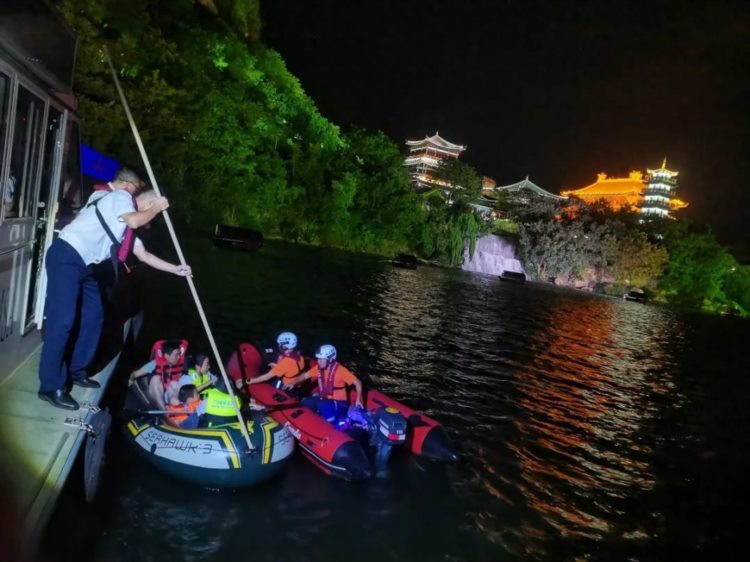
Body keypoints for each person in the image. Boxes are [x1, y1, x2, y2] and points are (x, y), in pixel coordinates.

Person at [37, 168, 191, 410]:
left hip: (86, 267)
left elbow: (145, 255)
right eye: (151, 214)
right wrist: (158, 206)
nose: (150, 222)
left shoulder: (125, 225)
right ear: (148, 202)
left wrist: (176, 269)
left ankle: (77, 371)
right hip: (67, 255)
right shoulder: (121, 199)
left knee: (95, 318)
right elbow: (135, 219)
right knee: (63, 321)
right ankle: (50, 386)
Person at [287, 344, 363, 421]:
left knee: (322, 405)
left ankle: (332, 424)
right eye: (318, 359)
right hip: (324, 398)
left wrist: (358, 398)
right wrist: (293, 383)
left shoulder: (341, 370)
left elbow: (357, 382)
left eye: (321, 359)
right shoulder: (319, 368)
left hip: (339, 403)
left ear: (330, 359)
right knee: (306, 402)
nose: (318, 362)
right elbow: (305, 376)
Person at [128, 340, 188, 411]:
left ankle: (177, 408)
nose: (178, 357)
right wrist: (130, 380)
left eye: (179, 354)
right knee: (156, 379)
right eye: (176, 355)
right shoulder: (154, 364)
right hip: (155, 395)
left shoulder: (180, 367)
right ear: (166, 356)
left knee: (174, 383)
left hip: (168, 395)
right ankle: (162, 412)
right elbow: (134, 374)